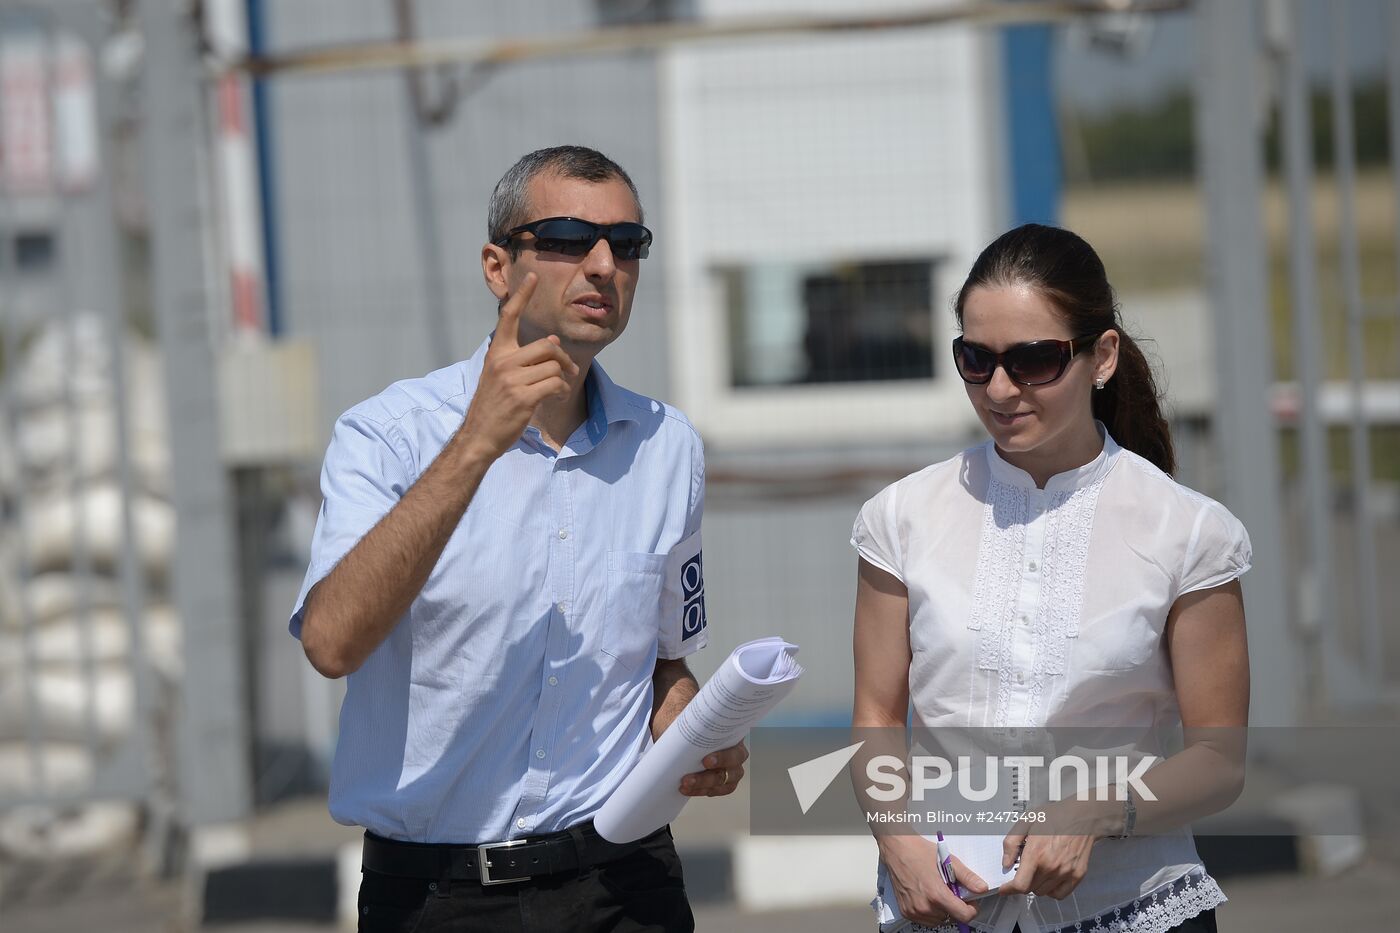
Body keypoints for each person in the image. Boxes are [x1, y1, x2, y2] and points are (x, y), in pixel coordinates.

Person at [290, 145, 746, 933]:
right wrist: (475, 444)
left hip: (626, 879)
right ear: (498, 267)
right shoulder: (388, 435)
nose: (604, 264)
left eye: (627, 243)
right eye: (569, 238)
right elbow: (332, 642)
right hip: (440, 891)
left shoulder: (667, 445)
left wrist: (690, 722)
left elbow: (668, 657)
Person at [851, 224, 1251, 933]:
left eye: (1034, 360)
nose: (1000, 387)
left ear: (1102, 357)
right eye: (975, 358)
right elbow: (878, 719)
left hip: (1135, 907)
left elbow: (1218, 760)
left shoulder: (1188, 530)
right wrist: (898, 843)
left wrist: (1097, 809)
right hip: (948, 909)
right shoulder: (902, 516)